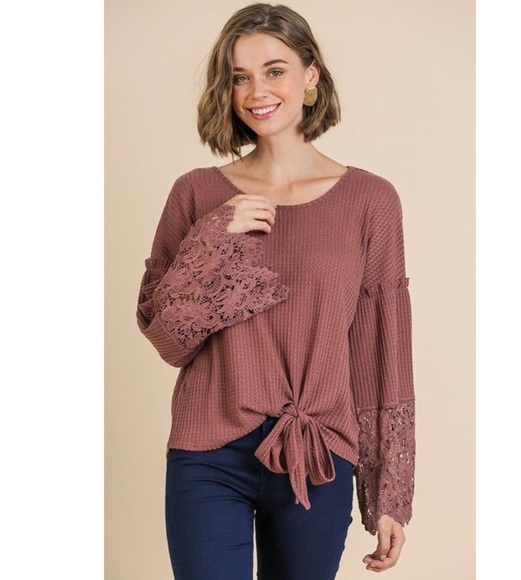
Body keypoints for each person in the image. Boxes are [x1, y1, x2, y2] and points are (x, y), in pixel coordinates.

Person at [137, 3, 415, 579]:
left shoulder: (371, 200)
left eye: (274, 70)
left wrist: (388, 492)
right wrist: (215, 237)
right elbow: (167, 337)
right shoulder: (197, 193)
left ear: (311, 75)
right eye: (240, 76)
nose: (256, 91)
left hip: (317, 454)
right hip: (208, 452)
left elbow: (378, 349)